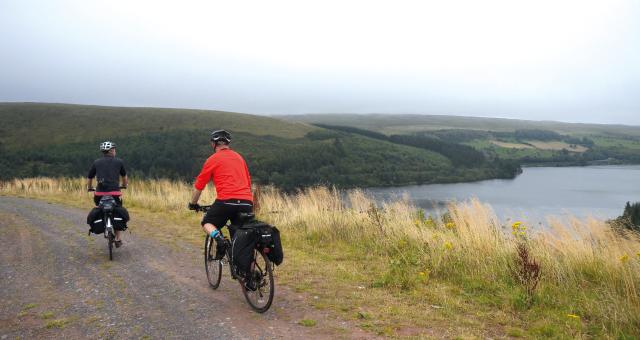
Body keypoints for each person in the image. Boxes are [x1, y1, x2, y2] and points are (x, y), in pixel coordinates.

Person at [188, 130, 254, 286]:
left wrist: (193, 203)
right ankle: (250, 276)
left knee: (207, 222)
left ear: (213, 144)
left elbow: (200, 185)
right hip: (246, 201)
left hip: (226, 201)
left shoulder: (213, 159)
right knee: (245, 238)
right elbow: (248, 181)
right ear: (228, 144)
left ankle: (219, 239)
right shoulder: (239, 157)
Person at [87, 141, 128, 247]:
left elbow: (90, 177)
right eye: (114, 149)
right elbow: (124, 177)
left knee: (99, 207)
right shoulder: (119, 162)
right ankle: (118, 238)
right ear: (111, 151)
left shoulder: (96, 162)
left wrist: (90, 187)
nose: (115, 151)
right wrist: (124, 185)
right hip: (115, 193)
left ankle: (103, 222)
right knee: (117, 211)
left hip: (100, 193)